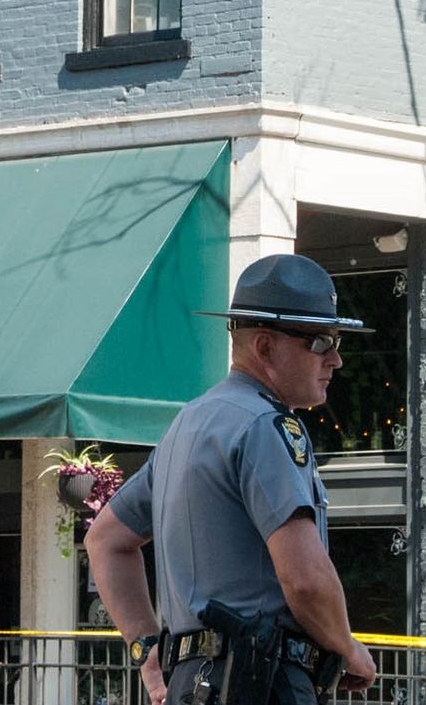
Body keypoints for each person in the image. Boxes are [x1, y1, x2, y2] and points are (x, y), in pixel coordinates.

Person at [85, 253, 380, 705]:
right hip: (263, 680)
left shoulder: (190, 423)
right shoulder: (265, 425)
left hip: (192, 683)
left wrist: (148, 654)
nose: (336, 359)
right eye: (319, 341)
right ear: (265, 347)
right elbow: (304, 578)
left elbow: (105, 539)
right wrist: (348, 646)